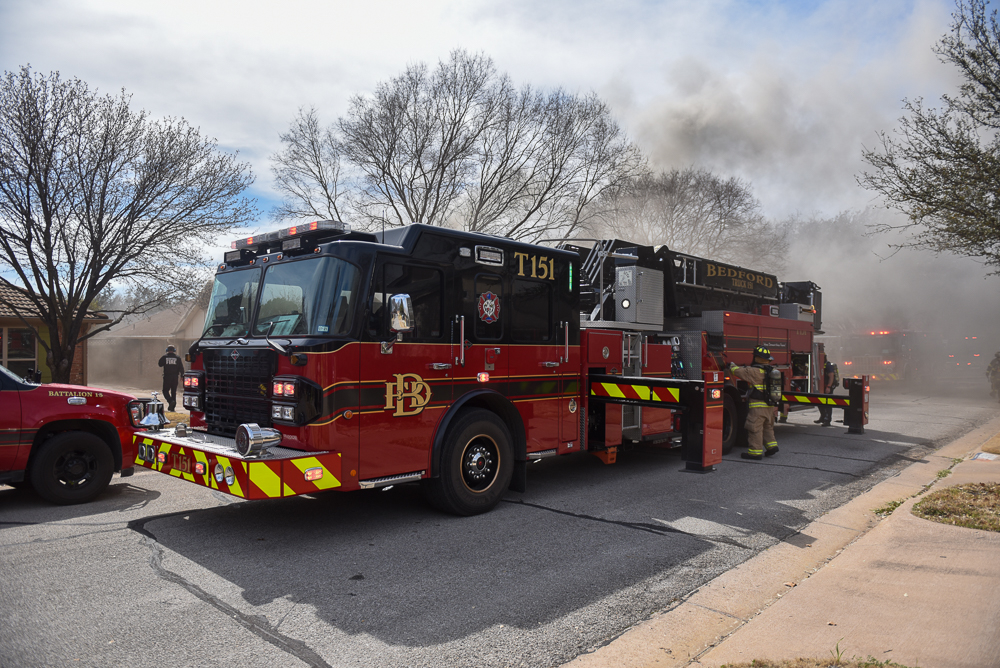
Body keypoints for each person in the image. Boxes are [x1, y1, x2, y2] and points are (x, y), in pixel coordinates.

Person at [729, 345, 779, 460]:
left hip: (757, 407)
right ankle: (772, 447)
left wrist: (731, 365)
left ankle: (755, 452)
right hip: (769, 407)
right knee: (767, 427)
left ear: (757, 358)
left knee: (754, 428)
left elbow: (737, 371)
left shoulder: (753, 372)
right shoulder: (771, 371)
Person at [158, 345, 184, 412]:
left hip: (167, 377)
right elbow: (181, 367)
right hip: (175, 377)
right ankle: (172, 408)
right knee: (173, 392)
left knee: (165, 391)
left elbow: (160, 364)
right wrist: (182, 376)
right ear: (174, 350)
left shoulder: (165, 357)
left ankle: (170, 401)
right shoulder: (177, 358)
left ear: (167, 350)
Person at [814, 359, 839, 427]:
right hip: (822, 387)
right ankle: (822, 417)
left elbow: (831, 376)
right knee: (819, 402)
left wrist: (829, 387)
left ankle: (828, 420)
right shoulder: (820, 365)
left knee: (827, 403)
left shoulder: (828, 365)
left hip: (827, 387)